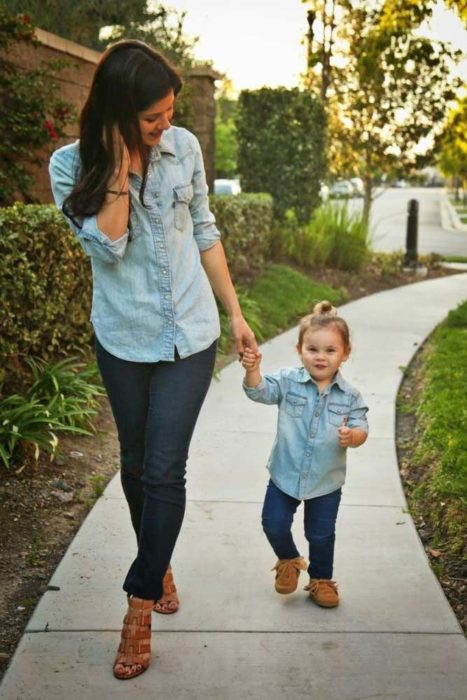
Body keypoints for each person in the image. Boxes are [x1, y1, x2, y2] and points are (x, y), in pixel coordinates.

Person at [49, 39, 257, 680]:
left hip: (189, 335)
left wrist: (236, 312)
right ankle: (157, 556)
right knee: (136, 467)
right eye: (152, 117)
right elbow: (108, 245)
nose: (167, 124)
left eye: (169, 111)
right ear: (115, 113)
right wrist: (117, 162)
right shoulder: (70, 166)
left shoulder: (184, 148)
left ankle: (138, 605)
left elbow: (205, 231)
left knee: (165, 470)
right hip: (123, 336)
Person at [241, 301, 368, 608]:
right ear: (300, 350)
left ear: (345, 353)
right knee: (273, 523)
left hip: (325, 481)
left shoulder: (350, 396)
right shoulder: (288, 381)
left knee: (321, 534)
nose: (320, 357)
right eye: (313, 349)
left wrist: (353, 436)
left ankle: (321, 580)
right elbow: (260, 391)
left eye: (330, 351)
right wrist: (253, 370)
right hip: (285, 474)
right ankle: (288, 559)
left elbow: (362, 426)